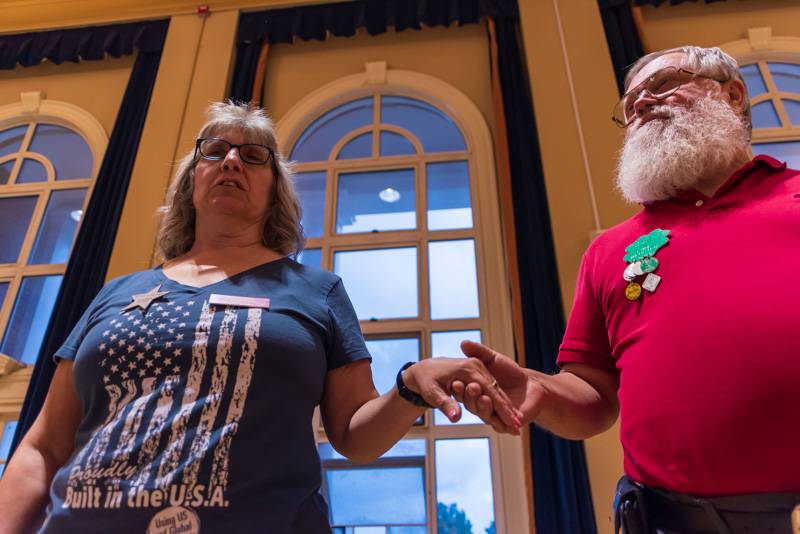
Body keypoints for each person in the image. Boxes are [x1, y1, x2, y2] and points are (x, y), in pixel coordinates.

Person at [0, 101, 521, 534]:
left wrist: (409, 384)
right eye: (215, 151)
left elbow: (354, 436)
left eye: (253, 156)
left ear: (275, 190)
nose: (232, 161)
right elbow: (44, 446)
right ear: (191, 181)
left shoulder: (316, 291)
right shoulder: (116, 293)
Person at [453, 46, 800, 533]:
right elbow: (592, 397)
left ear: (733, 94)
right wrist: (541, 390)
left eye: (661, 86)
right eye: (631, 100)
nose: (640, 104)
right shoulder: (610, 250)